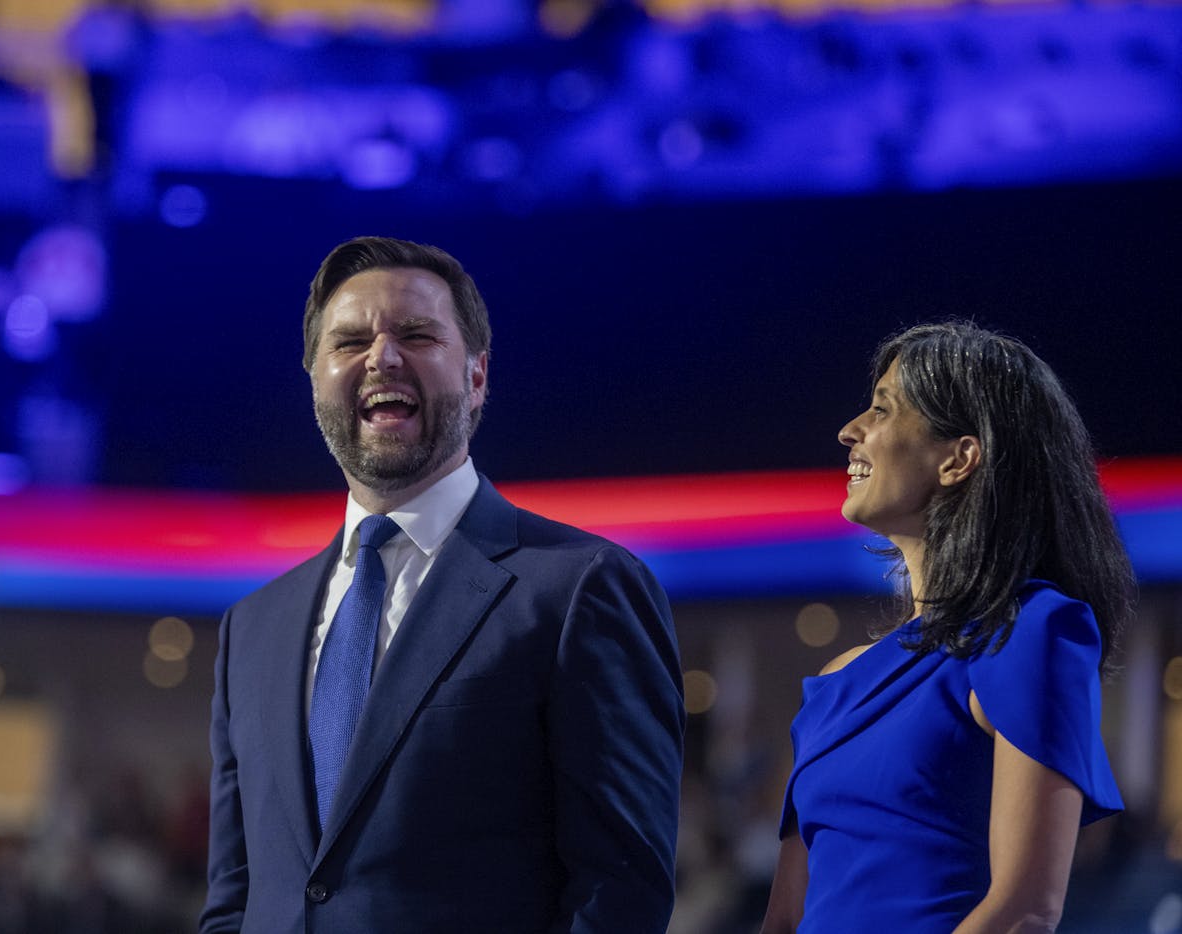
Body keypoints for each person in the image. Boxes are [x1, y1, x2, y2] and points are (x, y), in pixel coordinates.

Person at [200, 236, 685, 934]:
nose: (382, 357)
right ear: (313, 378)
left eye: (418, 334)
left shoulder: (583, 589)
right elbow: (234, 902)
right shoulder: (251, 628)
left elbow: (619, 896)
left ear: (478, 375)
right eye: (350, 341)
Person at [761, 321, 1133, 933]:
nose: (849, 430)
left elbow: (1024, 910)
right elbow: (785, 916)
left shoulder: (1031, 630)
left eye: (882, 409)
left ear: (959, 458)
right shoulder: (835, 679)